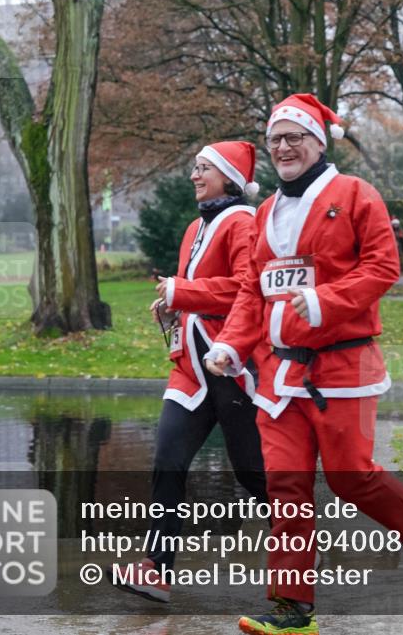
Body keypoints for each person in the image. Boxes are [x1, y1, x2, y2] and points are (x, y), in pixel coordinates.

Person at [203, 94, 403, 634]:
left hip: (344, 369)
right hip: (279, 376)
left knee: (349, 478)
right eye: (275, 139)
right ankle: (293, 609)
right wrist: (231, 343)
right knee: (286, 486)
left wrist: (327, 302)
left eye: (295, 136)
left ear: (319, 141)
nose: (284, 147)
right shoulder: (265, 211)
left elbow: (384, 267)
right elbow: (253, 290)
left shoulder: (356, 194)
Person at [117, 141, 269, 604]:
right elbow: (195, 296)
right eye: (194, 167)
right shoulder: (192, 228)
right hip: (189, 370)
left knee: (254, 475)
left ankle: (298, 546)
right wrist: (172, 309)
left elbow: (249, 289)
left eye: (203, 168)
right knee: (167, 459)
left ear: (228, 178)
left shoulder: (242, 223)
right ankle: (156, 569)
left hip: (231, 367)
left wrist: (182, 291)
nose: (193, 175)